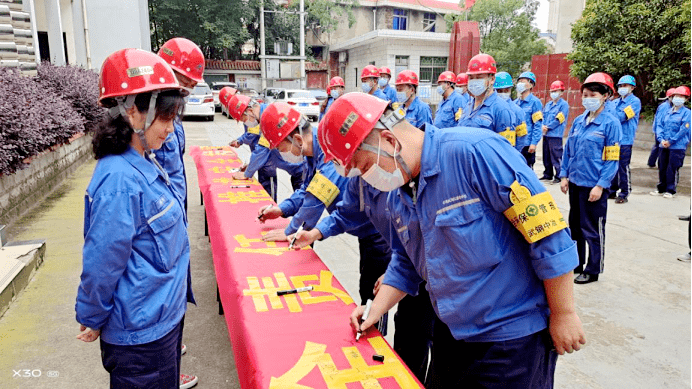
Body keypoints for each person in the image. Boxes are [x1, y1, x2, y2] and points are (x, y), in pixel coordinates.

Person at [319, 92, 585, 387]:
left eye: (365, 167)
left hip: (509, 341)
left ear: (390, 142)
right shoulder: (400, 196)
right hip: (451, 334)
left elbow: (547, 233)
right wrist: (374, 310)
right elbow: (406, 262)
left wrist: (564, 312)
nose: (367, 180)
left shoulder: (476, 153)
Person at [288, 104, 436, 382]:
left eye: (360, 164)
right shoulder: (364, 177)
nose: (353, 172)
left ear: (387, 142)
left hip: (424, 274)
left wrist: (393, 270)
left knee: (415, 334)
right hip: (402, 261)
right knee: (387, 325)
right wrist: (315, 232)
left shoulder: (415, 174)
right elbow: (346, 213)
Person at [75, 49, 194, 388]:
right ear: (131, 112)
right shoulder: (118, 180)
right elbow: (102, 262)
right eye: (165, 118)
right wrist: (92, 315)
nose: (171, 129)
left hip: (162, 321)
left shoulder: (145, 160)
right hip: (141, 338)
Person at [256, 103, 392, 319]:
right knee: (367, 287)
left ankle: (374, 338)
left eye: (282, 149)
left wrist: (291, 229)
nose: (284, 156)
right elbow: (308, 190)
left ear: (298, 140)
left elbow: (316, 198)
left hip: (377, 231)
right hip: (358, 220)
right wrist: (281, 209)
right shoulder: (313, 153)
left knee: (372, 295)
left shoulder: (331, 151)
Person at [156, 36, 204, 389]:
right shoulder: (148, 118)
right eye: (184, 83)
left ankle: (171, 348)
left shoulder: (172, 112)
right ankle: (167, 369)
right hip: (160, 217)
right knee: (165, 286)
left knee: (176, 283)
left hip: (174, 210)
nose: (186, 92)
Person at [559, 72, 622, 285]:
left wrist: (601, 186)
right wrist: (564, 175)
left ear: (606, 95)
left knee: (593, 230)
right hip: (575, 183)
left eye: (593, 94)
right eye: (585, 94)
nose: (588, 98)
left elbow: (612, 159)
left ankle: (593, 269)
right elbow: (569, 150)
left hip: (593, 186)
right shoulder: (579, 121)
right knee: (575, 227)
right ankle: (577, 263)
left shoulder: (611, 124)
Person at [227, 94, 303, 200]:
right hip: (297, 170)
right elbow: (265, 149)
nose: (245, 123)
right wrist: (250, 165)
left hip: (303, 169)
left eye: (243, 120)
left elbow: (262, 149)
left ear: (249, 111)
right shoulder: (264, 115)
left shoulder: (269, 117)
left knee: (304, 207)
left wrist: (247, 173)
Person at [457, 54, 514, 143]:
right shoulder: (468, 105)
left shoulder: (501, 109)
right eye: (471, 78)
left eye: (479, 77)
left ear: (492, 79)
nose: (474, 81)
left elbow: (505, 148)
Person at [651, 85, 691, 198]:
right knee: (662, 166)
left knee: (672, 168)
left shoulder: (686, 113)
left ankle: (670, 190)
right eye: (676, 96)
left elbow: (683, 129)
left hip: (677, 146)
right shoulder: (668, 111)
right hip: (664, 144)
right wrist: (661, 139)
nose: (677, 98)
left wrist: (671, 141)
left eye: (681, 96)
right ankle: (661, 188)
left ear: (686, 99)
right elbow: (660, 125)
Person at [609, 75, 641, 204]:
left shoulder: (634, 102)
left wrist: (609, 111)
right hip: (613, 139)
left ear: (632, 87)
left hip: (625, 140)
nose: (622, 88)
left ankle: (624, 192)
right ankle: (611, 190)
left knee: (623, 167)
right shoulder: (615, 102)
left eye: (625, 86)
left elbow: (621, 117)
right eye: (620, 86)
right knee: (611, 166)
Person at [540, 80, 570, 184]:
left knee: (556, 156)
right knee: (546, 155)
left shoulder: (564, 105)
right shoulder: (548, 105)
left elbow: (559, 119)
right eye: (552, 91)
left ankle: (558, 175)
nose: (554, 93)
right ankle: (547, 174)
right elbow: (543, 115)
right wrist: (542, 125)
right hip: (546, 134)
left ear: (561, 92)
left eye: (556, 91)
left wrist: (548, 127)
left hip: (555, 134)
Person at [514, 71, 544, 169]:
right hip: (515, 142)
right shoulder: (515, 103)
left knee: (526, 169)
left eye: (523, 81)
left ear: (531, 84)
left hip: (527, 144)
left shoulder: (535, 102)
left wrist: (534, 143)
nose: (520, 84)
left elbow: (537, 124)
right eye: (519, 81)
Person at [493, 71, 522, 148]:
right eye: (499, 90)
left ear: (510, 90)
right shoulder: (490, 109)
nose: (503, 93)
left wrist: (514, 154)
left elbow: (521, 137)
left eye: (506, 90)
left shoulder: (518, 111)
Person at [648, 88, 675, 168]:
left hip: (660, 130)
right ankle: (653, 162)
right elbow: (661, 120)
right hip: (660, 130)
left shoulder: (668, 105)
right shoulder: (665, 106)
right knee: (659, 147)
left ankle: (651, 162)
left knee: (657, 146)